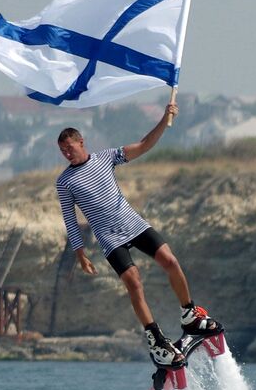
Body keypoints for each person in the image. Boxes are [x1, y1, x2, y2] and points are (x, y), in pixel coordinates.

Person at [55, 96, 222, 367]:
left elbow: (144, 145)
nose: (67, 153)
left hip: (133, 224)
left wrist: (164, 121)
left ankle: (190, 314)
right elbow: (70, 219)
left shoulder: (106, 157)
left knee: (171, 261)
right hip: (109, 238)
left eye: (69, 147)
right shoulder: (65, 182)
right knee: (134, 281)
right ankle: (155, 339)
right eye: (62, 150)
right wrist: (80, 253)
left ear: (81, 141)